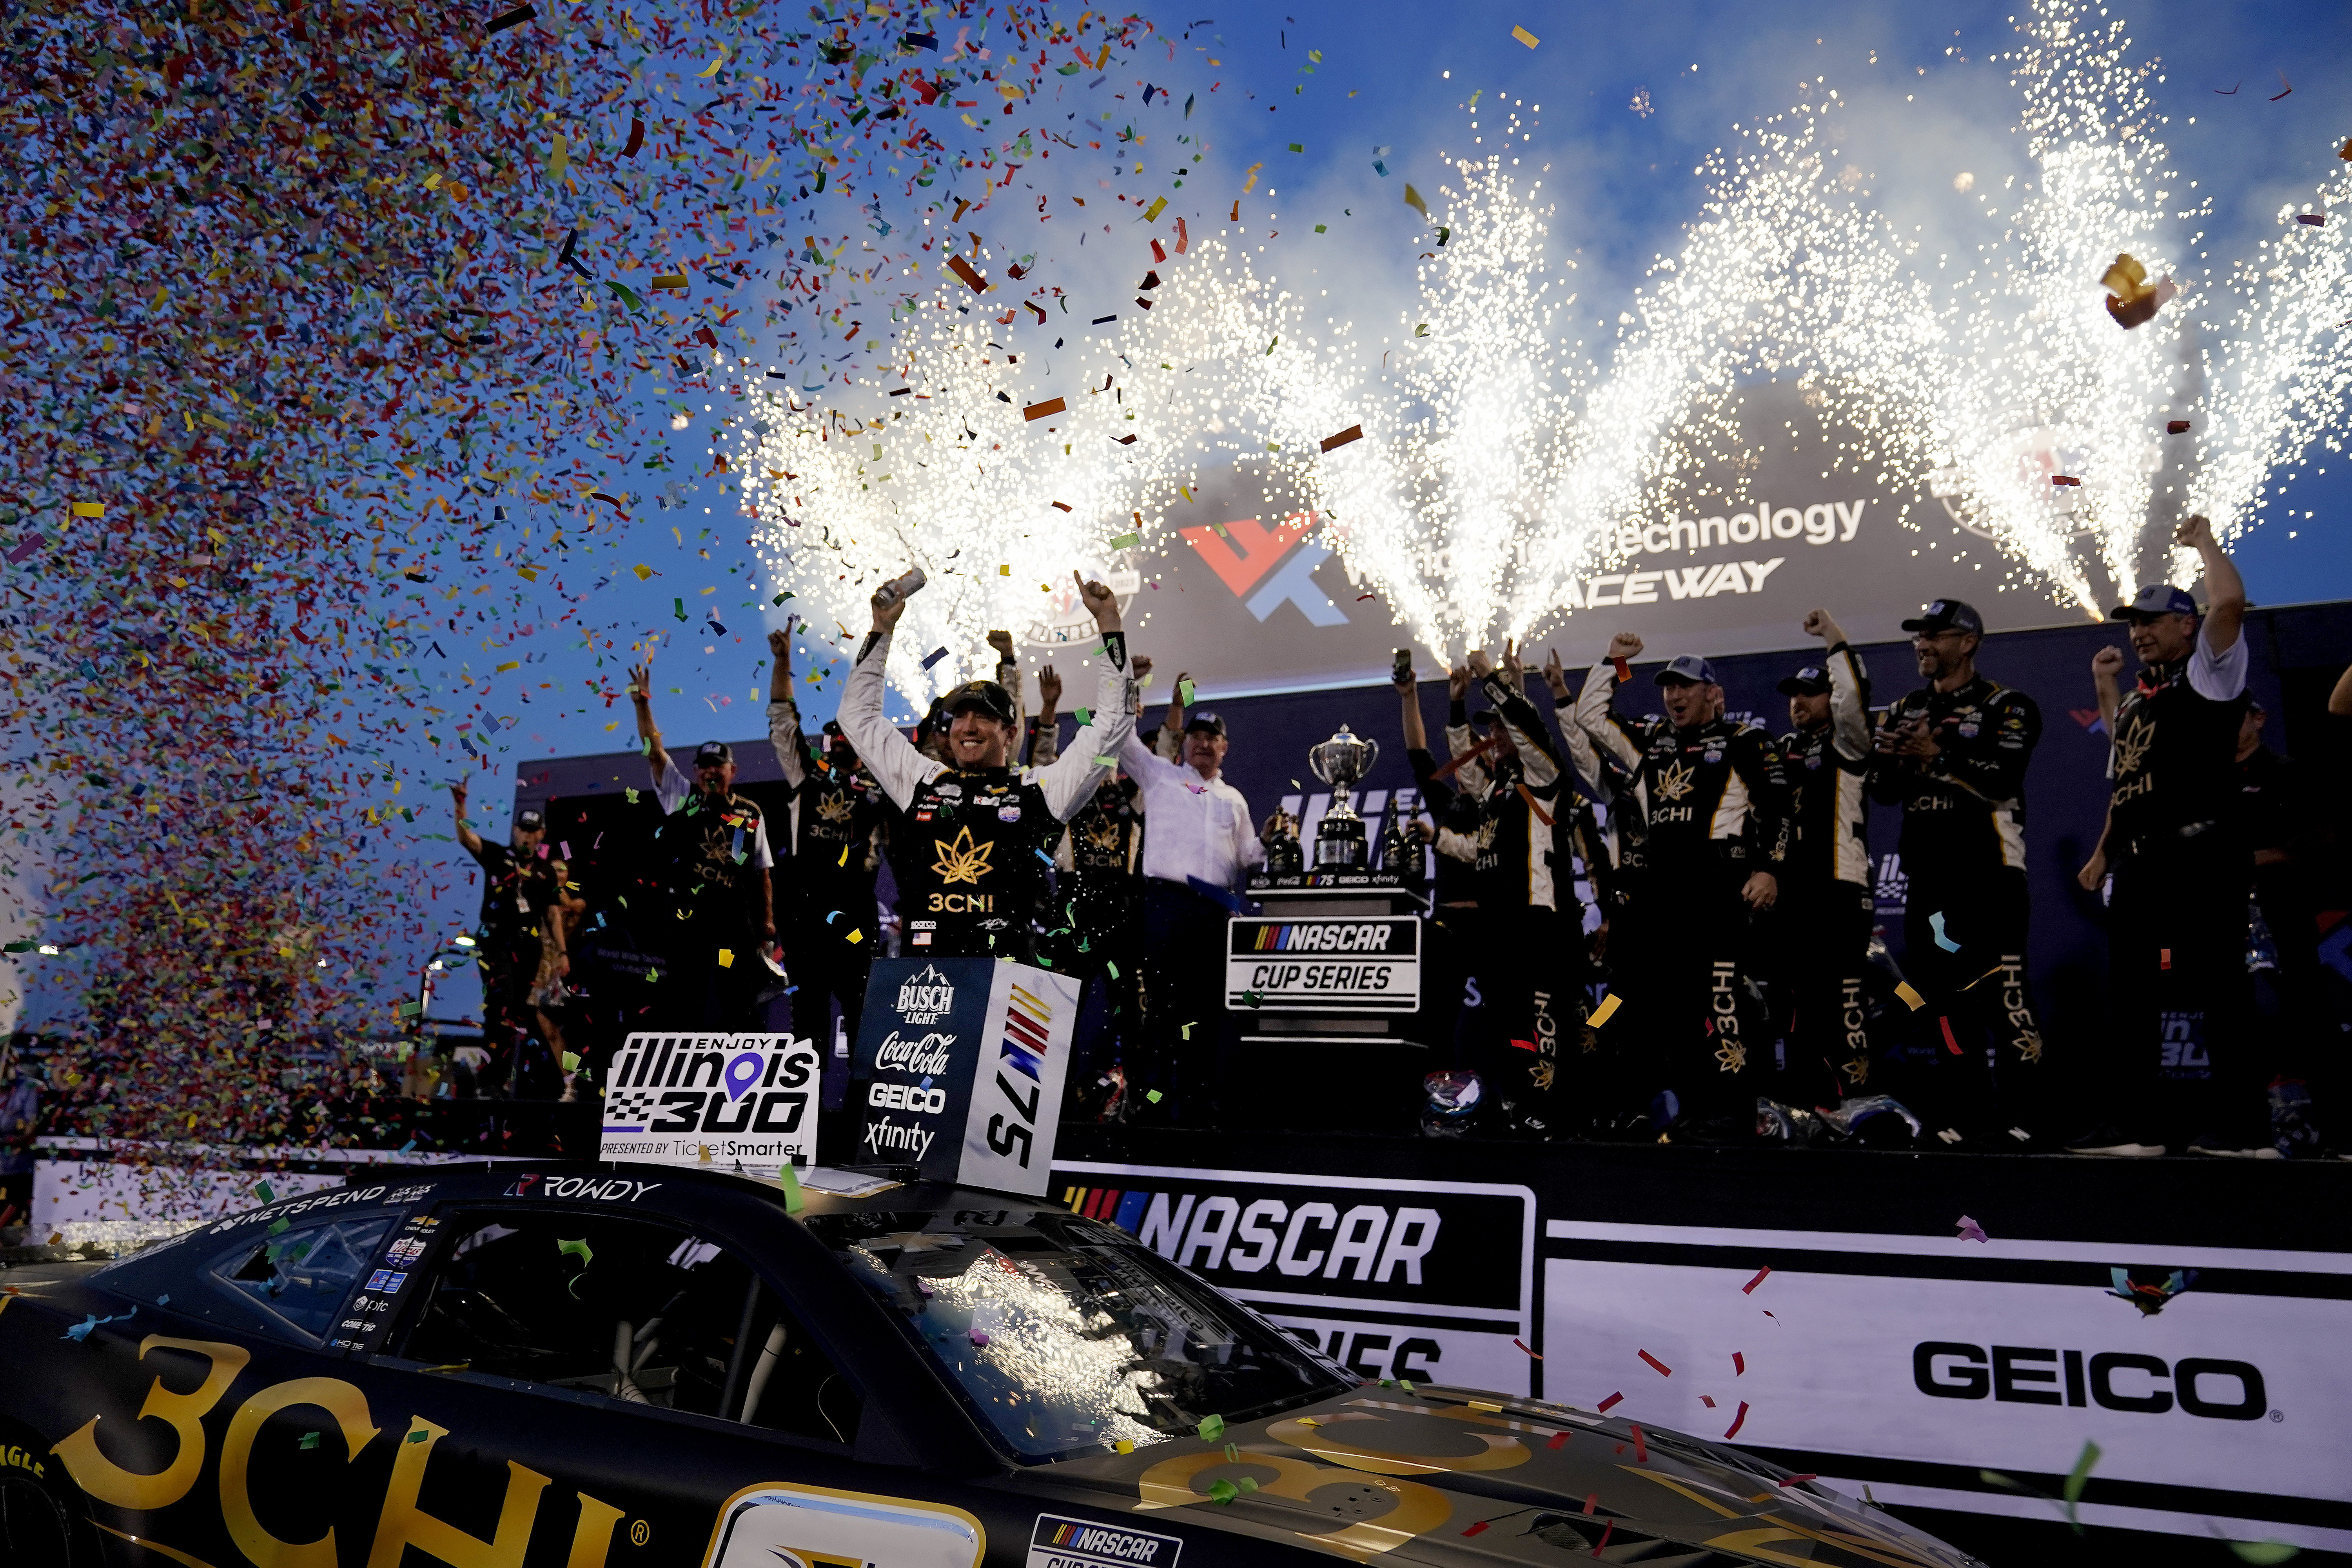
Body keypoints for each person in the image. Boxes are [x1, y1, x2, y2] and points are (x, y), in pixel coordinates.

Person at [2071, 516, 2253, 1157]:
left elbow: (2228, 601)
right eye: (2133, 622)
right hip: (2144, 864)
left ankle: (2243, 1130)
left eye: (2153, 621)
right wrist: (2100, 854)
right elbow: (2128, 780)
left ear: (2186, 625)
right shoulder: (2142, 700)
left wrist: (2202, 541)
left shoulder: (2210, 675)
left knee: (2220, 991)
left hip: (2202, 854)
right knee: (2133, 999)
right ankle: (2137, 1126)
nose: (2140, 631)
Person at [840, 569, 1134, 961]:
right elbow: (857, 717)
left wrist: (1110, 623)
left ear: (1010, 733)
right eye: (960, 716)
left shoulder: (1039, 791)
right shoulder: (924, 781)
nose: (968, 727)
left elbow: (1114, 722)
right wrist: (881, 630)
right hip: (921, 986)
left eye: (983, 717)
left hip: (1006, 985)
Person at [1575, 635, 1790, 1141]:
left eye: (1685, 686)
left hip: (1720, 889)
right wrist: (1618, 661)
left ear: (1713, 693)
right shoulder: (1652, 742)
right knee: (1675, 1013)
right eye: (1668, 687)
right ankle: (1692, 1110)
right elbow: (1590, 713)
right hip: (1661, 898)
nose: (1674, 696)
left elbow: (1779, 811)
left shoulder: (1747, 740)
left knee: (1720, 1001)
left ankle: (1735, 1113)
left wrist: (1770, 870)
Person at [1866, 597, 2045, 1148]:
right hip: (1931, 885)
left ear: (1968, 643)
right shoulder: (1902, 709)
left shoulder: (2006, 707)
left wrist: (1935, 758)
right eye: (1919, 635)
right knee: (1945, 999)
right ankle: (1969, 1115)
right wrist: (1896, 760)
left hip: (1990, 877)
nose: (1923, 643)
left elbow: (2000, 779)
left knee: (2005, 996)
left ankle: (2028, 1117)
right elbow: (1884, 792)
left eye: (1936, 635)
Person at [1431, 642, 1598, 1137]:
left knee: (1579, 1018)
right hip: (1501, 926)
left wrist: (1495, 681)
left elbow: (1530, 731)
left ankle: (1566, 1107)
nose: (1495, 735)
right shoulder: (1499, 790)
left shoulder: (1544, 778)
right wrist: (1459, 705)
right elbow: (1465, 765)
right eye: (1492, 728)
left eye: (1501, 727)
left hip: (1543, 924)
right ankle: (1528, 1104)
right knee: (1515, 1023)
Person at [1119, 664, 1271, 1122]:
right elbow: (1119, 738)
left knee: (1207, 1010)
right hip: (1167, 906)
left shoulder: (1235, 800)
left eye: (1213, 738)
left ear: (1225, 748)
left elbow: (1251, 856)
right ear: (1185, 741)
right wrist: (1131, 683)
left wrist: (1273, 838)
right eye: (1197, 736)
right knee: (1164, 1008)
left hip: (1216, 913)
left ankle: (1200, 1099)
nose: (1204, 744)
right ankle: (1152, 1102)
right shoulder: (1159, 776)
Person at [629, 662, 778, 1028]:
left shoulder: (749, 812)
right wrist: (642, 706)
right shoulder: (682, 798)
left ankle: (746, 1076)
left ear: (733, 771)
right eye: (705, 767)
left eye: (719, 766)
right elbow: (654, 752)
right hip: (689, 917)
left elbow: (762, 872)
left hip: (732, 919)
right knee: (685, 995)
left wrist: (768, 924)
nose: (711, 772)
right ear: (696, 773)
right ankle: (681, 1080)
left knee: (738, 997)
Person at [1771, 610, 1876, 1104]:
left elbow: (1853, 697)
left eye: (1809, 694)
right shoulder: (1782, 750)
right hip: (1793, 899)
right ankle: (1804, 1103)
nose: (1797, 703)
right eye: (1793, 696)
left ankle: (1857, 1105)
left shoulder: (1849, 742)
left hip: (1840, 890)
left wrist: (1834, 636)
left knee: (1845, 1000)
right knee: (1797, 1004)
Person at [768, 626, 887, 1056]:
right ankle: (805, 1117)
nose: (840, 740)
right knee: (809, 1020)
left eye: (848, 734)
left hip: (856, 917)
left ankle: (861, 1115)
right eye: (834, 735)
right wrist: (783, 662)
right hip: (807, 920)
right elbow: (783, 720)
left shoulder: (880, 787)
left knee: (862, 1015)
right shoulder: (806, 777)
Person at [2233, 699, 2335, 1157]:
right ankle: (2254, 1130)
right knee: (2240, 1026)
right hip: (2224, 923)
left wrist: (2255, 860)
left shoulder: (2287, 772)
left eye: (2235, 717)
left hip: (2285, 917)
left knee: (2305, 1020)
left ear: (2259, 717)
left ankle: (2333, 1129)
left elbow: (2321, 841)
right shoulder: (2204, 780)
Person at [450, 786, 555, 1062]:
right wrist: (460, 804)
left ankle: (501, 1080)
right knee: (502, 1003)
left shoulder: (546, 871)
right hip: (496, 940)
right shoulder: (499, 856)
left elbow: (552, 913)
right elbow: (466, 839)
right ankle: (489, 1081)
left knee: (520, 1011)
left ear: (541, 835)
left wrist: (563, 953)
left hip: (529, 946)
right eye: (523, 829)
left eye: (533, 831)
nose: (527, 835)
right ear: (515, 831)